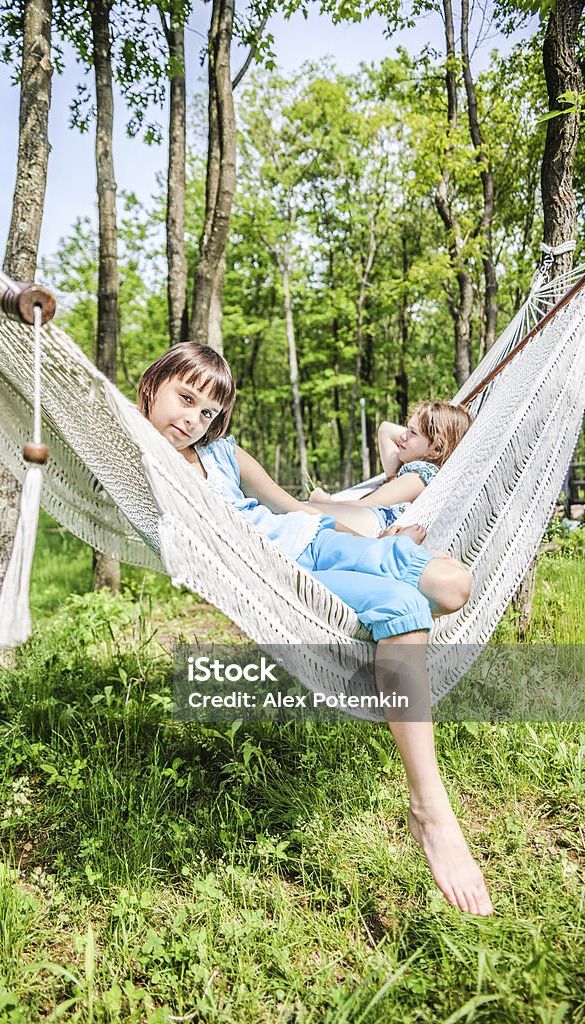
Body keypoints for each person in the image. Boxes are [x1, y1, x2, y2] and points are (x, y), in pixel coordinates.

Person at [137, 343, 493, 917]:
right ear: (152, 386)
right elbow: (100, 433)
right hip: (285, 578)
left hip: (322, 543)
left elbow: (292, 509)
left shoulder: (225, 455)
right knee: (406, 610)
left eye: (207, 411)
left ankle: (391, 560)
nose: (192, 419)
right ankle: (431, 809)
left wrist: (370, 533)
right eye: (184, 398)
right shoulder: (140, 453)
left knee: (456, 586)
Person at [308, 402, 473, 538]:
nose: (403, 436)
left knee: (295, 514)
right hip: (364, 523)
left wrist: (325, 501)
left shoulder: (420, 476)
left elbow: (363, 506)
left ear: (437, 448)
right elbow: (385, 429)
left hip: (370, 524)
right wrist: (422, 436)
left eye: (413, 433)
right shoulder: (410, 468)